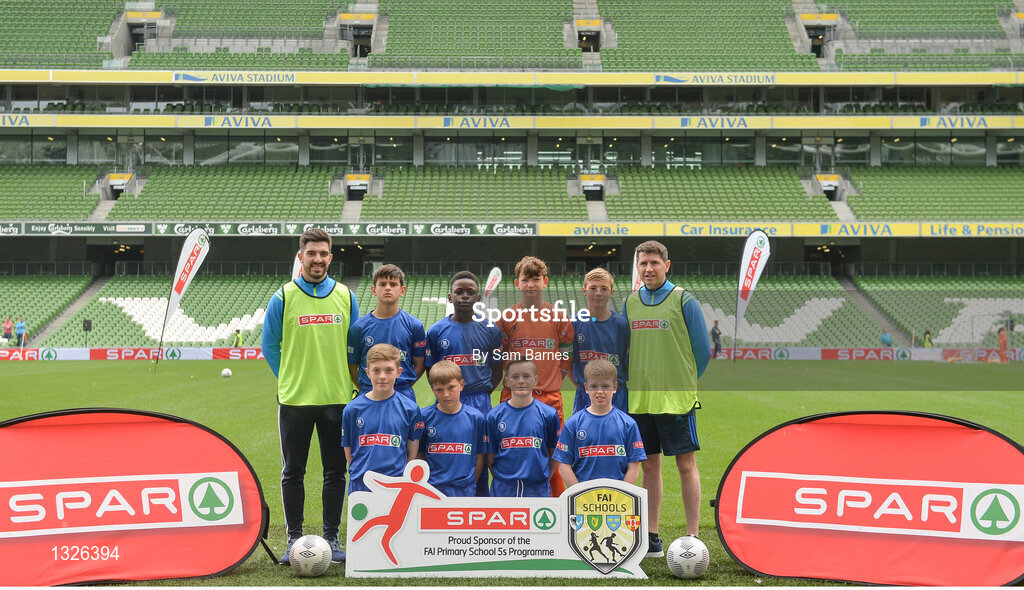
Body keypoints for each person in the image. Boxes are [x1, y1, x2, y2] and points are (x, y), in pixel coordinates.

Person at [261, 227, 359, 565]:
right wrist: (289, 377)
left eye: (323, 254)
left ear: (330, 258)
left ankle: (331, 536)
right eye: (311, 253)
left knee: (335, 471)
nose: (317, 259)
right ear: (301, 257)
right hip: (295, 400)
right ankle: (294, 538)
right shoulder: (283, 297)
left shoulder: (346, 296)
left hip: (338, 399)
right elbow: (269, 346)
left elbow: (355, 346)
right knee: (293, 472)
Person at [624, 240, 710, 557]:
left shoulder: (684, 300)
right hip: (640, 402)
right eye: (643, 264)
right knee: (649, 467)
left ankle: (693, 537)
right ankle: (651, 536)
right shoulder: (630, 302)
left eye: (654, 263)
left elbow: (703, 351)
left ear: (666, 265)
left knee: (686, 465)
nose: (648, 269)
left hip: (676, 401)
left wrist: (683, 385)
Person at [496, 256, 573, 496]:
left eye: (536, 279)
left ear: (545, 281)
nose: (531, 284)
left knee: (554, 455)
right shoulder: (507, 317)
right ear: (517, 283)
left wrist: (552, 377)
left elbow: (567, 353)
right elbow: (500, 355)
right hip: (513, 398)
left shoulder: (558, 316)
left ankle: (555, 509)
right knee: (513, 452)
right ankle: (511, 506)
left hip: (549, 398)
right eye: (525, 279)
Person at [425, 270, 503, 495]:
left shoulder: (490, 329)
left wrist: (484, 390)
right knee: (452, 453)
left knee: (481, 455)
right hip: (448, 402)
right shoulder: (437, 331)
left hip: (479, 399)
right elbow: (434, 371)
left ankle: (480, 506)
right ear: (450, 297)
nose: (465, 296)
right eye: (459, 292)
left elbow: (497, 369)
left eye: (470, 292)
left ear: (478, 298)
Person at [343, 343, 424, 493]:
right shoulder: (352, 409)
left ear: (399, 372)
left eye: (388, 370)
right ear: (367, 372)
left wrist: (403, 478)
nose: (382, 376)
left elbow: (412, 450)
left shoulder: (409, 408)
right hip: (361, 485)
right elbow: (348, 447)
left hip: (396, 484)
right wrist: (358, 473)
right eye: (376, 371)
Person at [554, 359, 645, 487]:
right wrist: (580, 493)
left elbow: (634, 466)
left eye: (605, 386)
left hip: (617, 500)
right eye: (594, 386)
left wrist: (621, 494)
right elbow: (564, 465)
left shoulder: (628, 424)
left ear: (615, 387)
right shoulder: (573, 424)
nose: (600, 391)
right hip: (583, 500)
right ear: (586, 388)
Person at [348, 264, 426, 401]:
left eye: (393, 284)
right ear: (373, 290)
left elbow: (419, 365)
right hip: (369, 394)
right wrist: (371, 388)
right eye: (382, 284)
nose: (388, 288)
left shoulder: (414, 325)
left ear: (402, 290)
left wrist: (404, 385)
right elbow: (352, 367)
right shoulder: (359, 327)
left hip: (403, 394)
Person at [486, 358, 560, 498]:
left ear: (535, 380)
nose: (521, 381)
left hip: (537, 489)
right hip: (503, 489)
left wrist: (543, 478)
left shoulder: (549, 414)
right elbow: (490, 457)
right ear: (507, 381)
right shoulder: (494, 416)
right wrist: (503, 479)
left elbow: (554, 452)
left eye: (526, 376)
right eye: (515, 377)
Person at [419, 360, 486, 497]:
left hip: (464, 492)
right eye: (439, 389)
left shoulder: (476, 418)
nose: (446, 395)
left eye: (451, 387)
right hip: (431, 491)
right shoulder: (424, 417)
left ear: (461, 385)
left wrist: (471, 483)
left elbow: (479, 456)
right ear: (432, 389)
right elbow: (419, 454)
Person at [570, 267, 629, 415]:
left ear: (611, 292)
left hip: (617, 394)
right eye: (593, 288)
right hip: (585, 393)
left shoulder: (621, 324)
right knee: (584, 435)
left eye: (604, 288)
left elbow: (626, 361)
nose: (598, 293)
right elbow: (568, 361)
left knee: (616, 436)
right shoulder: (574, 322)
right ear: (584, 291)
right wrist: (583, 384)